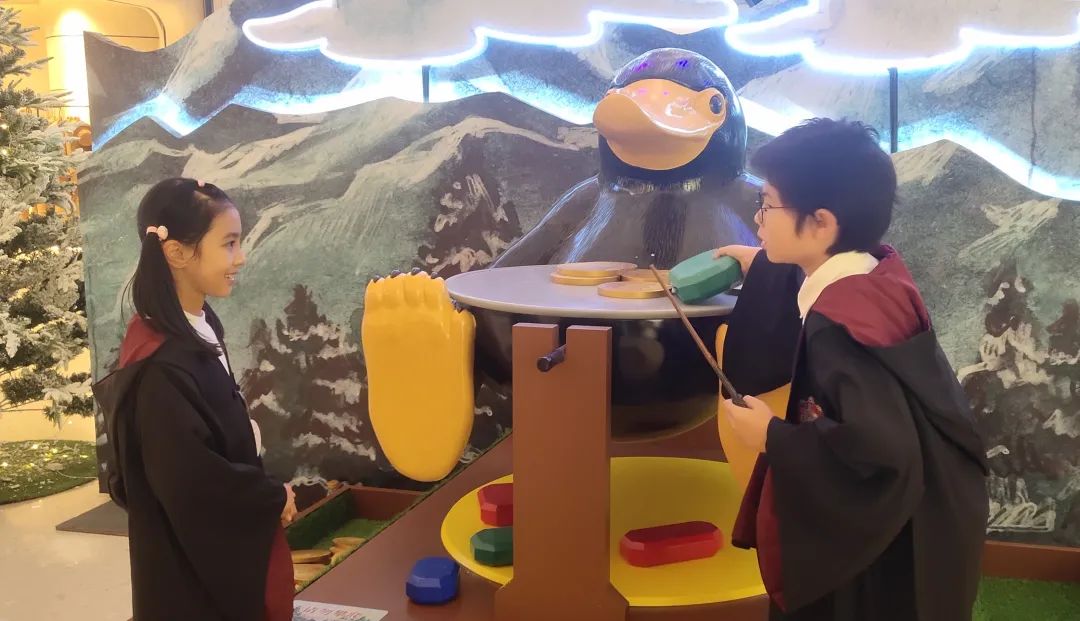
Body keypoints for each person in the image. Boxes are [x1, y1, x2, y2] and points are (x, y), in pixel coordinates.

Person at [714, 119, 989, 621]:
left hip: (884, 547)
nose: (757, 217)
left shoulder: (839, 330)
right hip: (935, 506)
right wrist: (762, 261)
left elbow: (881, 452)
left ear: (821, 223)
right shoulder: (874, 273)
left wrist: (771, 436)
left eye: (767, 204)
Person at [92, 178, 297, 621]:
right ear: (177, 252)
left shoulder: (194, 327)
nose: (240, 258)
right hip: (188, 580)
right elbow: (190, 482)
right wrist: (269, 498)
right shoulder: (160, 368)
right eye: (228, 243)